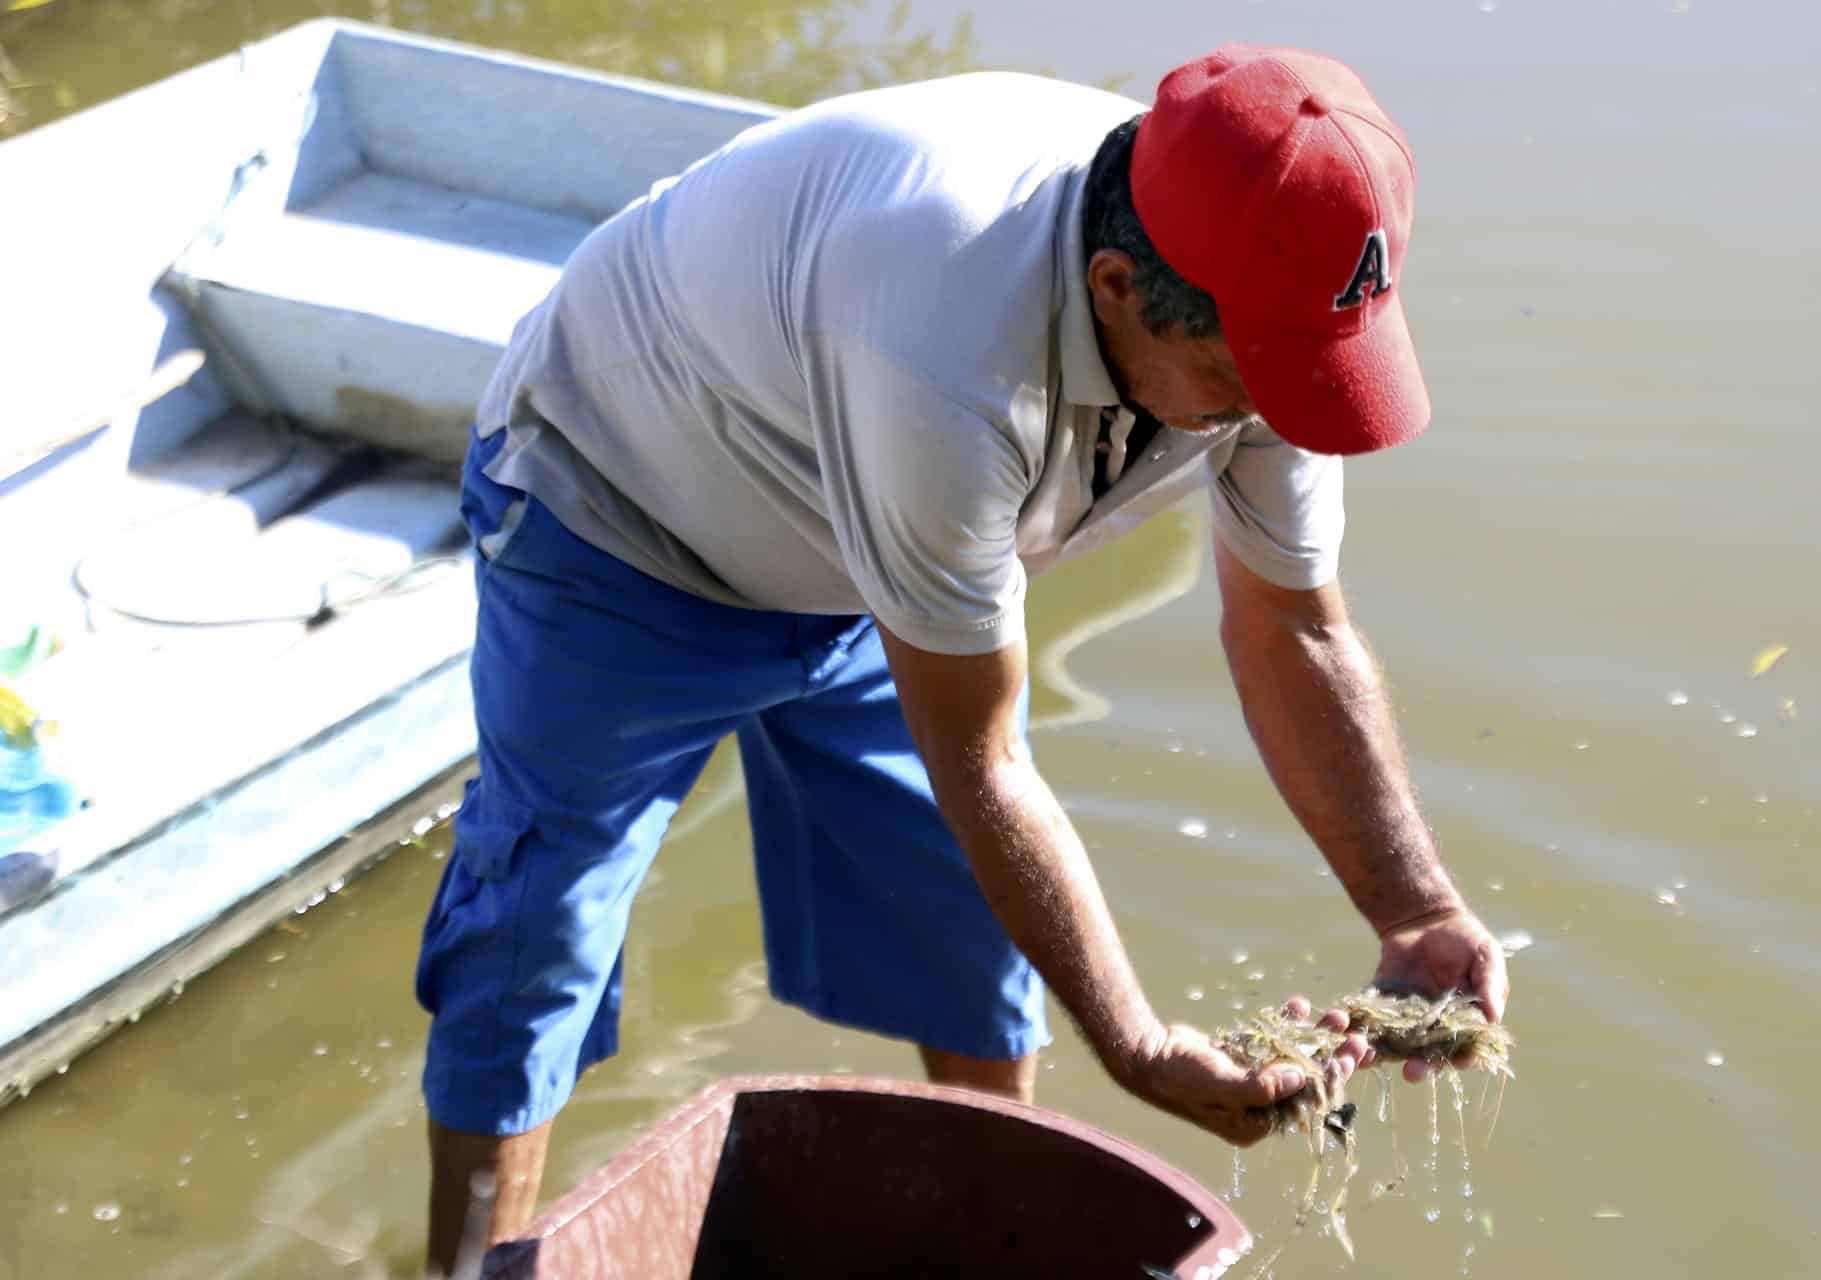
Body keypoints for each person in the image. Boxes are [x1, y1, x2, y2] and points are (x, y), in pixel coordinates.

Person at [416, 42, 1509, 1273]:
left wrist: (1413, 906)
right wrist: (1139, 1045)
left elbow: (1294, 626)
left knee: (973, 932)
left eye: (1317, 378)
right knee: (537, 930)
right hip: (622, 520)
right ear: (1114, 285)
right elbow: (981, 759)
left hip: (875, 552)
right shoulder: (940, 338)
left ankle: (993, 1232)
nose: (1282, 419)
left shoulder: (1265, 314)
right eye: (1244, 383)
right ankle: (469, 1264)